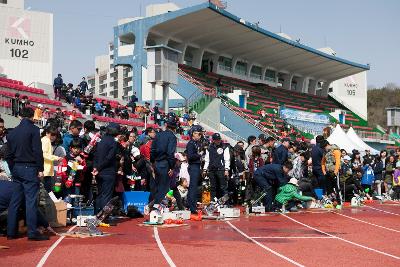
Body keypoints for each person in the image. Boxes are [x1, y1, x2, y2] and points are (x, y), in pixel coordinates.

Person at [5, 107, 48, 241]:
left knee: (15, 201)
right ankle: (32, 232)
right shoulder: (34, 129)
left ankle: (11, 232)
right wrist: (40, 168)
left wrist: (13, 169)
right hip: (29, 167)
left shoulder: (11, 133)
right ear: (31, 117)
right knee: (30, 202)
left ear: (20, 117)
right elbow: (37, 151)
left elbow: (8, 155)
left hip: (17, 168)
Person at [150, 116, 177, 210]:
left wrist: (153, 162)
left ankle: (154, 207)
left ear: (166, 125)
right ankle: (156, 209)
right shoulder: (172, 137)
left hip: (156, 163)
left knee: (157, 187)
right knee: (163, 188)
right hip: (165, 163)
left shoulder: (158, 135)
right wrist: (172, 167)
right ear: (174, 127)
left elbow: (152, 150)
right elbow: (170, 153)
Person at [93, 123, 119, 213]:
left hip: (98, 171)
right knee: (106, 195)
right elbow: (109, 158)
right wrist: (99, 168)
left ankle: (97, 213)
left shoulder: (100, 141)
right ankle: (104, 216)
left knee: (100, 194)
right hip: (108, 171)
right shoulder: (113, 143)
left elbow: (95, 155)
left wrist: (95, 168)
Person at [203, 133, 230, 200]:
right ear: (213, 140)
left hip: (221, 169)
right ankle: (213, 201)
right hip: (212, 170)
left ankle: (225, 201)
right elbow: (207, 160)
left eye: (219, 139)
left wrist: (226, 169)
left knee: (223, 187)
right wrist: (204, 169)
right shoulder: (209, 148)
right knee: (213, 187)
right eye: (216, 140)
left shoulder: (224, 147)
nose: (218, 141)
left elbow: (227, 159)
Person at [186, 125, 203, 214]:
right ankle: (192, 207)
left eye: (200, 134)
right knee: (193, 187)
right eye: (197, 134)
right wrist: (199, 155)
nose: (199, 136)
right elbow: (190, 156)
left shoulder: (196, 143)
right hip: (193, 166)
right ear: (193, 134)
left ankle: (191, 205)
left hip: (196, 166)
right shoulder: (191, 144)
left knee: (194, 187)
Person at [41, 127, 62, 192]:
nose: (53, 137)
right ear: (47, 133)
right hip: (45, 168)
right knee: (47, 189)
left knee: (46, 188)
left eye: (55, 135)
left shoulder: (45, 140)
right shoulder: (46, 140)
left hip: (46, 168)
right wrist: (57, 158)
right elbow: (44, 154)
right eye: (52, 135)